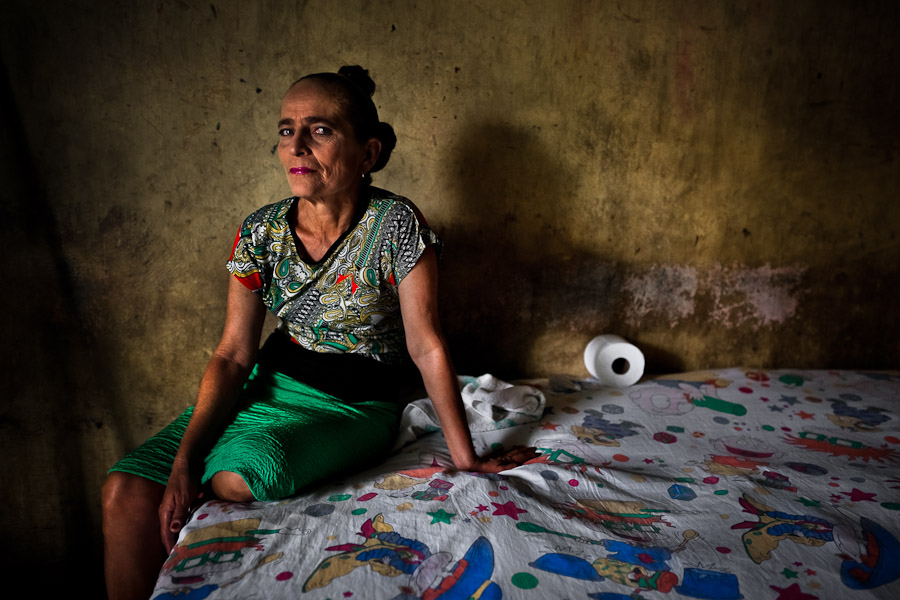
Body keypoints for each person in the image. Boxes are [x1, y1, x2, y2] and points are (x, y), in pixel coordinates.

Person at [101, 66, 536, 600]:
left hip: (350, 406)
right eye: (287, 130)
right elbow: (233, 355)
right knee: (124, 491)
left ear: (368, 154)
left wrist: (464, 456)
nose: (297, 146)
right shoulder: (259, 231)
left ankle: (221, 463)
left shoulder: (396, 224)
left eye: (321, 130)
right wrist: (185, 460)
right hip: (264, 386)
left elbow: (426, 345)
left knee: (242, 476)